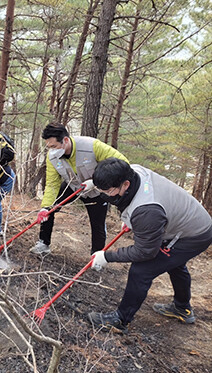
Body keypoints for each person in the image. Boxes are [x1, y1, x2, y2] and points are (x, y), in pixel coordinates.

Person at [88, 158, 212, 333]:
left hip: (193, 234)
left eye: (108, 191)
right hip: (188, 222)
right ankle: (182, 308)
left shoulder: (147, 211)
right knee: (174, 263)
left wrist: (107, 256)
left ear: (125, 185)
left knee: (142, 270)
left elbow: (145, 251)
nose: (105, 195)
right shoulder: (134, 169)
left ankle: (120, 320)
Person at [31, 124, 129, 255]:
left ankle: (96, 256)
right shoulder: (52, 157)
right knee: (49, 209)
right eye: (49, 147)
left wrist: (96, 182)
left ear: (65, 140)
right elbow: (52, 184)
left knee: (97, 224)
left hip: (97, 191)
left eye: (54, 146)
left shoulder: (91, 146)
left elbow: (122, 163)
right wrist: (45, 207)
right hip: (73, 186)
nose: (52, 150)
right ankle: (43, 243)